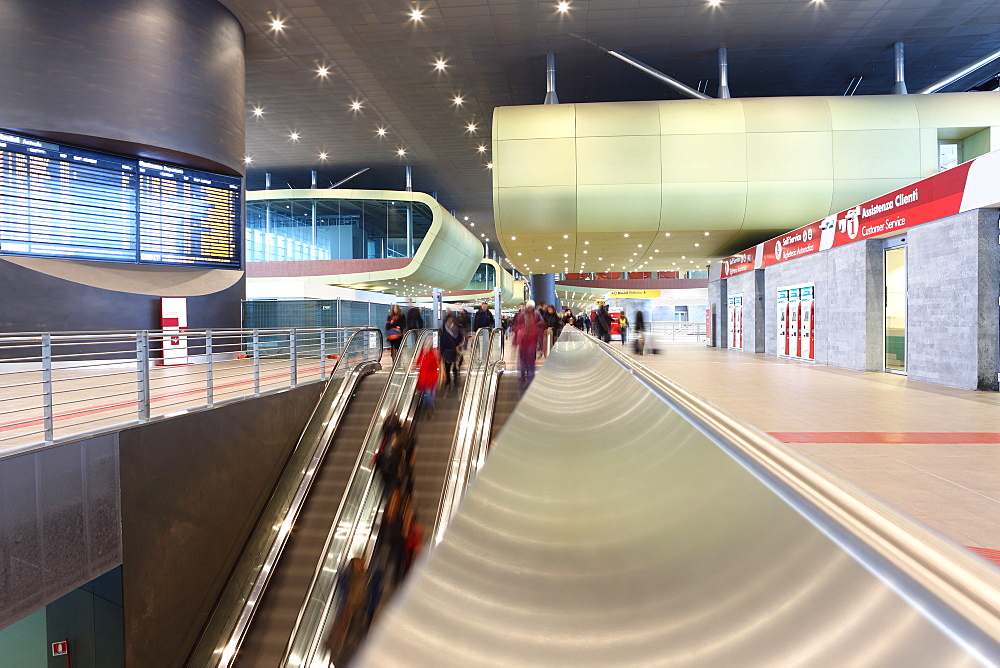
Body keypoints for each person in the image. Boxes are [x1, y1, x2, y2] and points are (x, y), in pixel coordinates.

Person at [512, 300, 545, 390]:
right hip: (524, 341)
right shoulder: (522, 315)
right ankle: (523, 377)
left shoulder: (536, 314)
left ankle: (529, 378)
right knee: (523, 359)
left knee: (530, 360)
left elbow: (541, 324)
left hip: (531, 340)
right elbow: (517, 326)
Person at [415, 343, 439, 417]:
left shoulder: (432, 356)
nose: (426, 347)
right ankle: (428, 408)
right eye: (425, 346)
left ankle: (427, 408)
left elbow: (435, 367)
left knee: (429, 395)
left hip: (430, 379)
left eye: (428, 346)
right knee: (428, 394)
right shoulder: (422, 355)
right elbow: (417, 363)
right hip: (425, 379)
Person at [439, 313, 463, 388]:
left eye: (451, 319)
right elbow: (442, 339)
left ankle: (455, 378)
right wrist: (441, 350)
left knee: (456, 365)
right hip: (447, 348)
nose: (450, 321)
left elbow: (460, 338)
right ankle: (448, 379)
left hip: (455, 349)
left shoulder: (456, 328)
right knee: (447, 365)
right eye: (449, 319)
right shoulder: (444, 329)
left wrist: (458, 346)